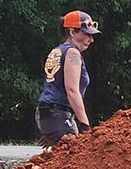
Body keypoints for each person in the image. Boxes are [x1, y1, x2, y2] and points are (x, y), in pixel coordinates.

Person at [35, 11, 99, 143]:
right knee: (79, 153)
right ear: (72, 32)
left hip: (50, 114)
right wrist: (86, 126)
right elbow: (72, 91)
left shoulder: (57, 51)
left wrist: (51, 127)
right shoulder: (72, 53)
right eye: (87, 34)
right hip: (58, 113)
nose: (91, 39)